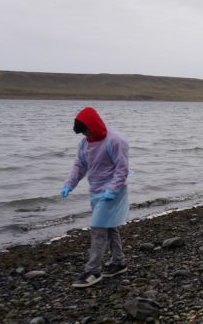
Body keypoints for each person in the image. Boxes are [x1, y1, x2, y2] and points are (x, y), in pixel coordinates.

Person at [61, 107, 130, 288]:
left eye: (86, 129)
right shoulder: (85, 144)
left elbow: (122, 169)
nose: (86, 134)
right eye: (83, 132)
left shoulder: (115, 141)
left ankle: (93, 270)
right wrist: (69, 184)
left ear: (94, 124)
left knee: (98, 228)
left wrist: (112, 190)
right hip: (96, 190)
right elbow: (80, 165)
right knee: (109, 226)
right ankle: (119, 262)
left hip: (114, 191)